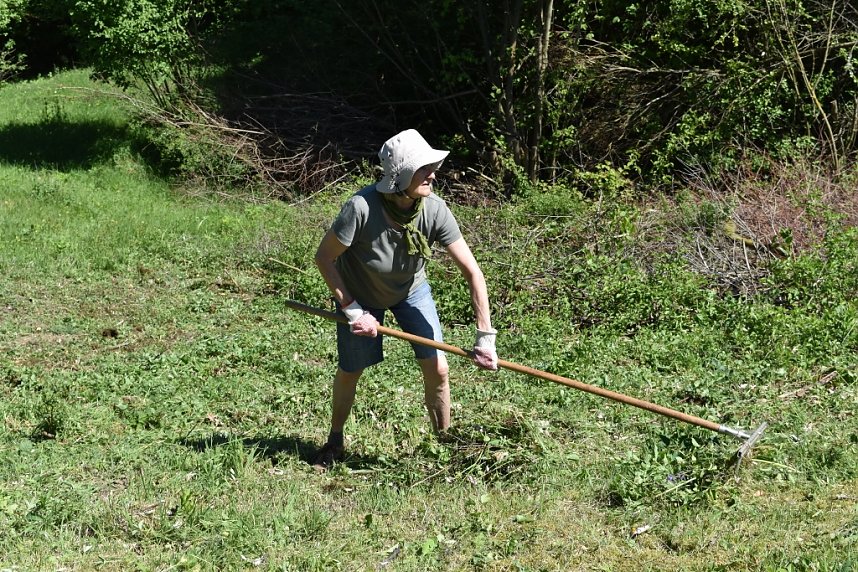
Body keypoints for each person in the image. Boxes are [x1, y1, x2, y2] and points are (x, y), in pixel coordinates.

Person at [312, 128, 498, 469]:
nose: (433, 173)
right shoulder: (361, 208)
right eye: (423, 167)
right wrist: (352, 310)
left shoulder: (435, 210)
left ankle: (444, 444)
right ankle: (335, 440)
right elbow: (324, 258)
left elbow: (473, 271)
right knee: (351, 370)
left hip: (411, 291)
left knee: (438, 368)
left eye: (432, 165)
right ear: (399, 176)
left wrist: (485, 336)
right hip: (361, 297)